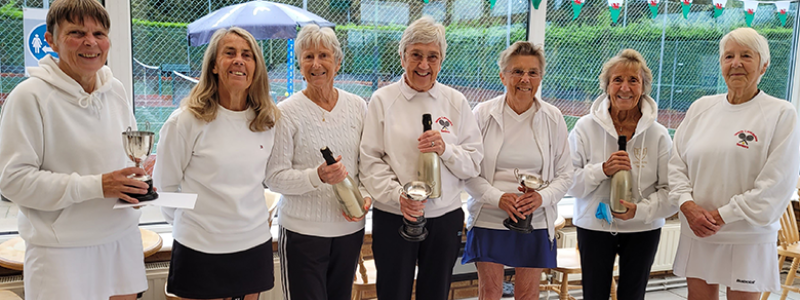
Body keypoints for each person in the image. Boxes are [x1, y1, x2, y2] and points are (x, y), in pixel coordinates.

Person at [0, 0, 149, 299]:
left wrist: (138, 180)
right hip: (60, 251)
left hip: (121, 239)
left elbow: (121, 158)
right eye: (77, 32)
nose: (90, 42)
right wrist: (98, 185)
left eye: (99, 33)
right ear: (50, 39)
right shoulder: (29, 97)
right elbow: (13, 181)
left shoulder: (115, 89)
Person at [669, 28, 800, 300]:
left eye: (746, 56)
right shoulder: (701, 108)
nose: (736, 63)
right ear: (721, 64)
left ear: (764, 64)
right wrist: (687, 205)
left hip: (746, 234)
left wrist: (720, 216)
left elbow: (776, 186)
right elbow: (676, 164)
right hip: (699, 231)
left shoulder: (781, 113)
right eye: (729, 56)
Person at [359, 16, 484, 300]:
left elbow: (474, 161)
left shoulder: (456, 102)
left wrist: (446, 149)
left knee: (436, 293)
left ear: (441, 60)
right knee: (393, 292)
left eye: (432, 57)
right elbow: (370, 161)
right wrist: (397, 196)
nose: (424, 65)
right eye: (416, 55)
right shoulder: (382, 100)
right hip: (394, 215)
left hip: (444, 217)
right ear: (402, 57)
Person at [153, 27, 279, 300]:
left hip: (253, 244)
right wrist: (197, 224)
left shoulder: (266, 121)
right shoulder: (186, 121)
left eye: (247, 55)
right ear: (213, 65)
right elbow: (165, 186)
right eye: (229, 53)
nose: (239, 60)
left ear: (255, 68)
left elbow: (264, 180)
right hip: (200, 247)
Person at [264, 24, 372, 300]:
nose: (316, 64)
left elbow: (369, 164)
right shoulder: (286, 113)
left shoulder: (358, 106)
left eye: (324, 55)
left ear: (337, 62)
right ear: (299, 63)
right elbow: (274, 177)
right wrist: (318, 176)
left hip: (349, 230)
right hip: (303, 234)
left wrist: (367, 196)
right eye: (308, 56)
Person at [463, 41, 573, 300]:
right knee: (489, 292)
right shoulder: (482, 114)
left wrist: (541, 198)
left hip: (534, 220)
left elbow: (566, 174)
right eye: (517, 71)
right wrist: (498, 198)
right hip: (488, 216)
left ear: (540, 77)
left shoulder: (553, 117)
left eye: (532, 72)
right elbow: (468, 172)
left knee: (527, 294)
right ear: (503, 75)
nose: (525, 79)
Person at [567, 49, 676, 300]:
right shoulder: (585, 128)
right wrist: (601, 170)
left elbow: (671, 192)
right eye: (617, 80)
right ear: (606, 86)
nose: (624, 87)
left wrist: (640, 211)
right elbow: (569, 183)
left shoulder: (658, 135)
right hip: (595, 226)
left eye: (633, 80)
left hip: (642, 229)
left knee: (633, 295)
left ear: (643, 88)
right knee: (594, 294)